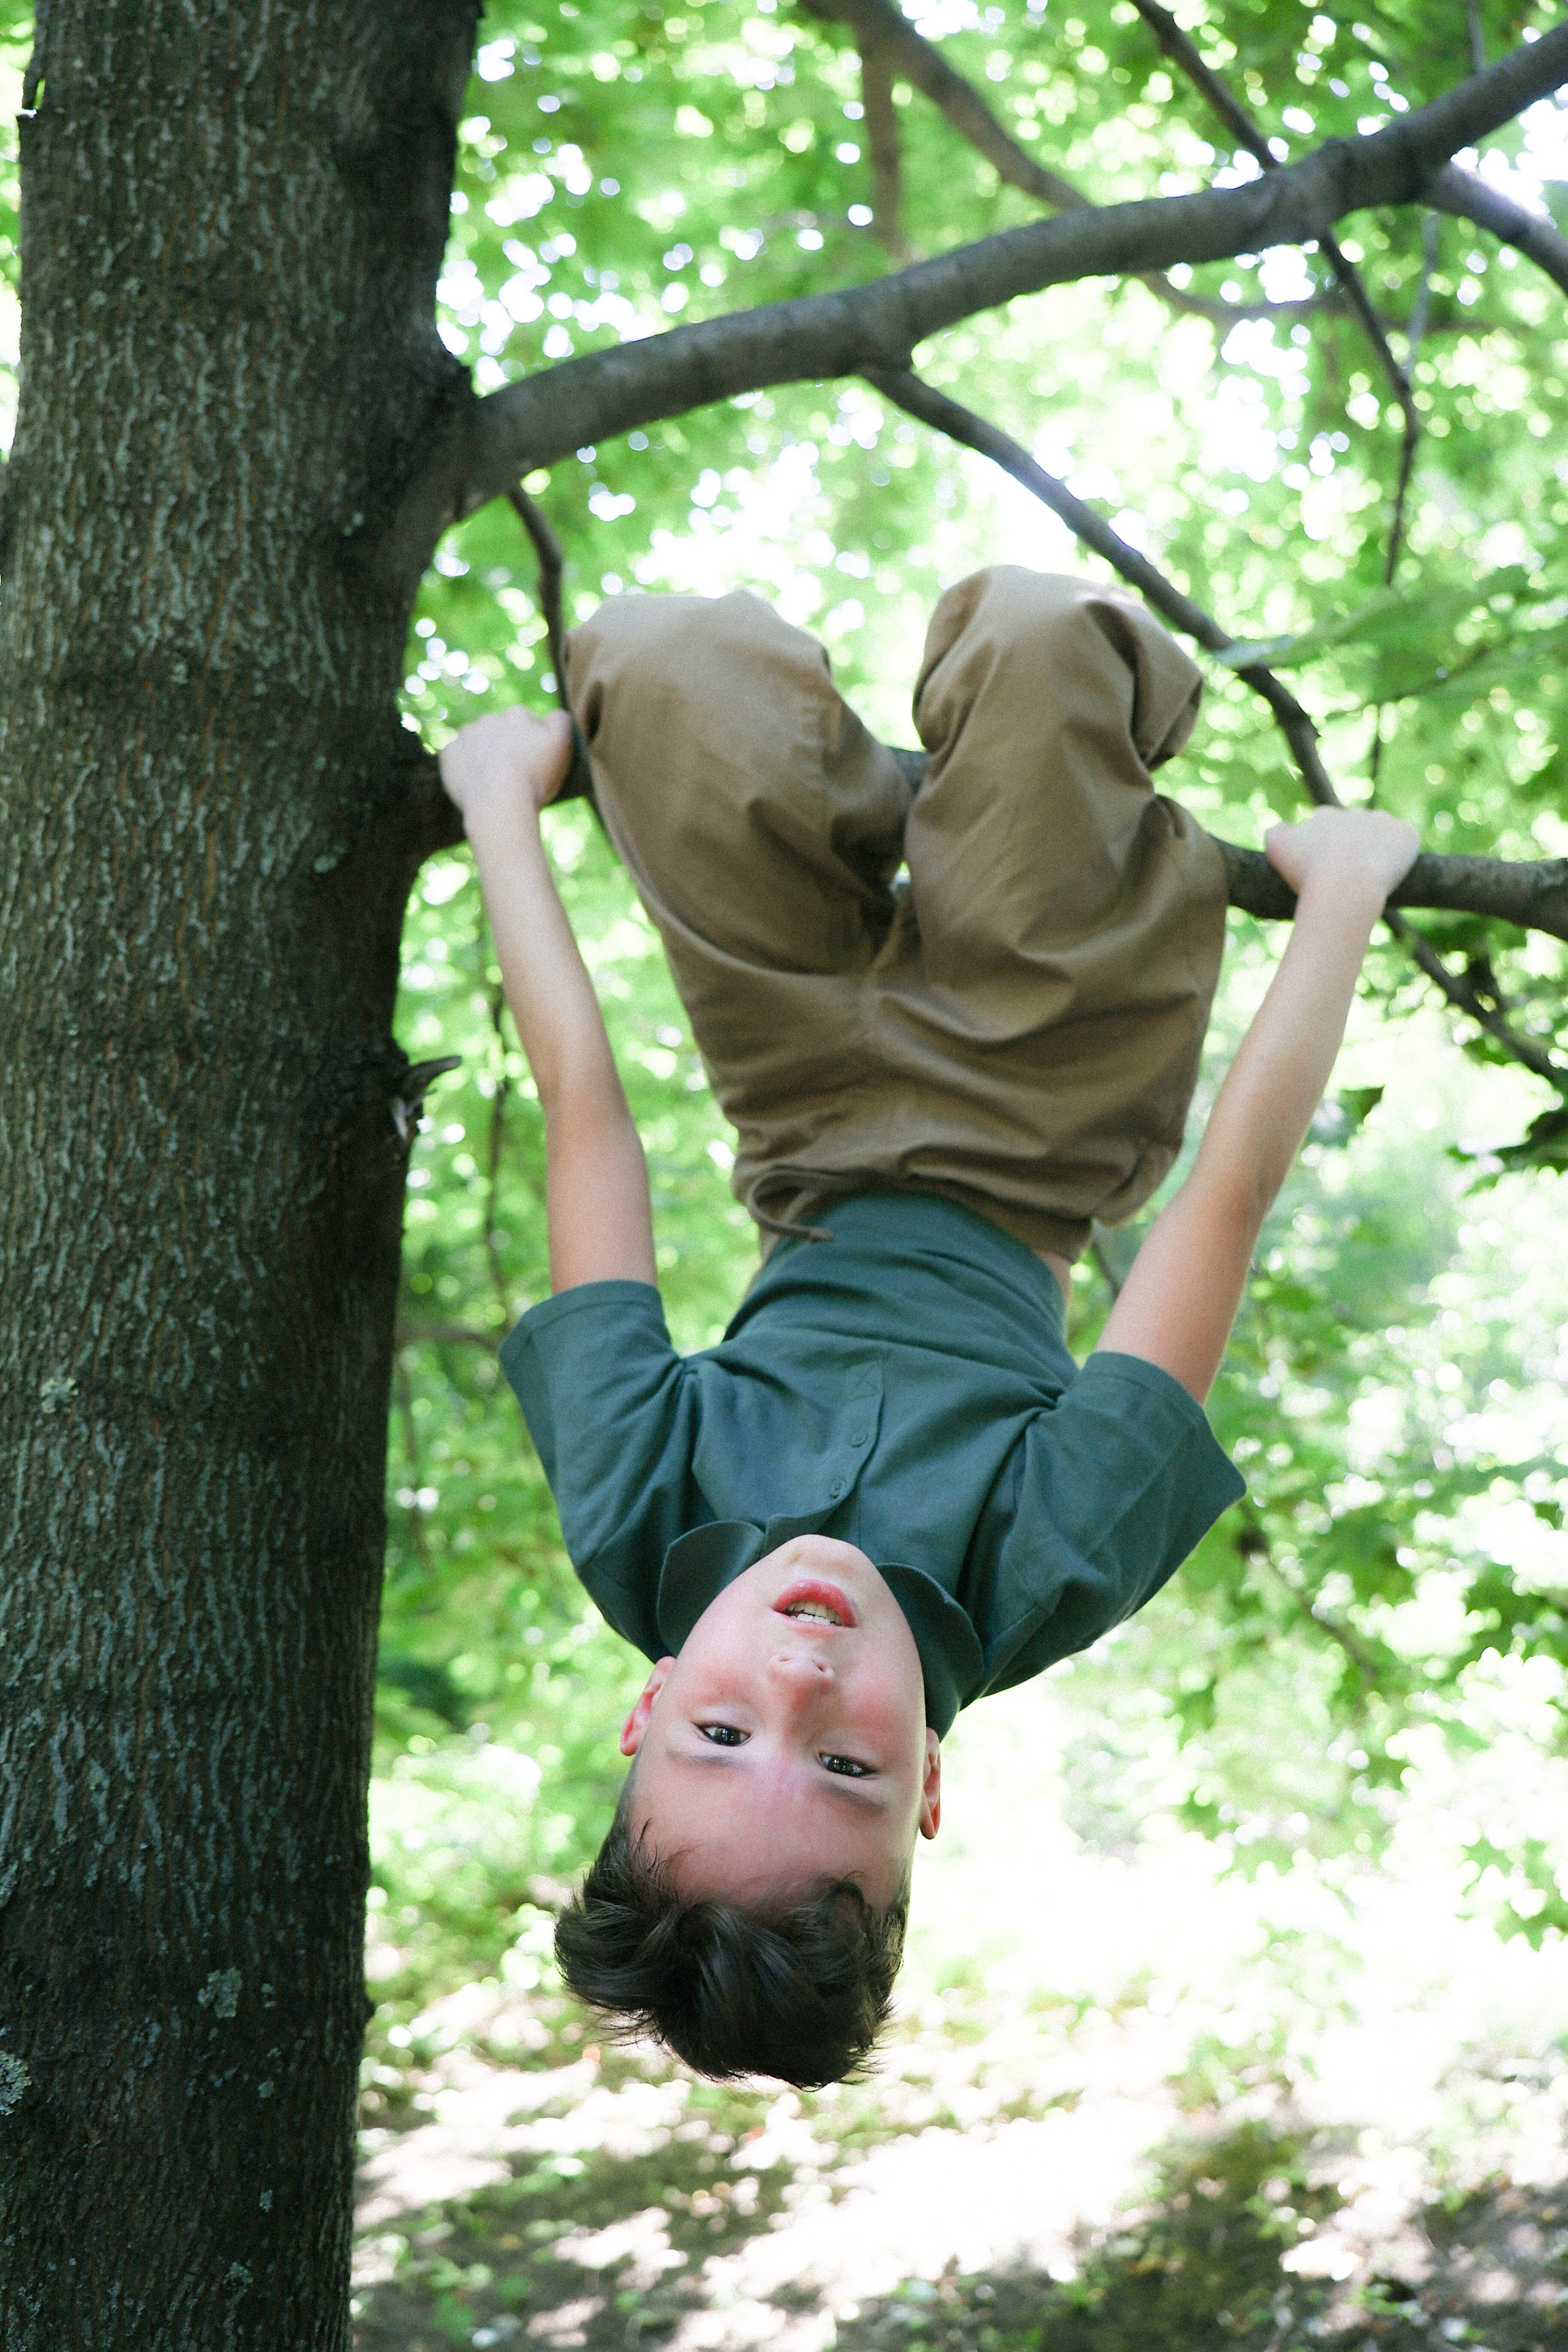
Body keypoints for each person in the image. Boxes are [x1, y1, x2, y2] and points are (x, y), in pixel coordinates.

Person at [438, 568, 1418, 2090]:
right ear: (928, 1789)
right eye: (843, 1765)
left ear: (645, 1704)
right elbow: (1223, 1195)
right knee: (1034, 641)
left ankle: (885, 811)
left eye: (716, 1733)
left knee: (657, 655)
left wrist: (499, 800)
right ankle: (1052, 794)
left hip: (801, 1098)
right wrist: (1339, 894)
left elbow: (584, 1113)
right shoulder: (1045, 1566)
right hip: (1048, 1096)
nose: (800, 1676)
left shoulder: (634, 1515)